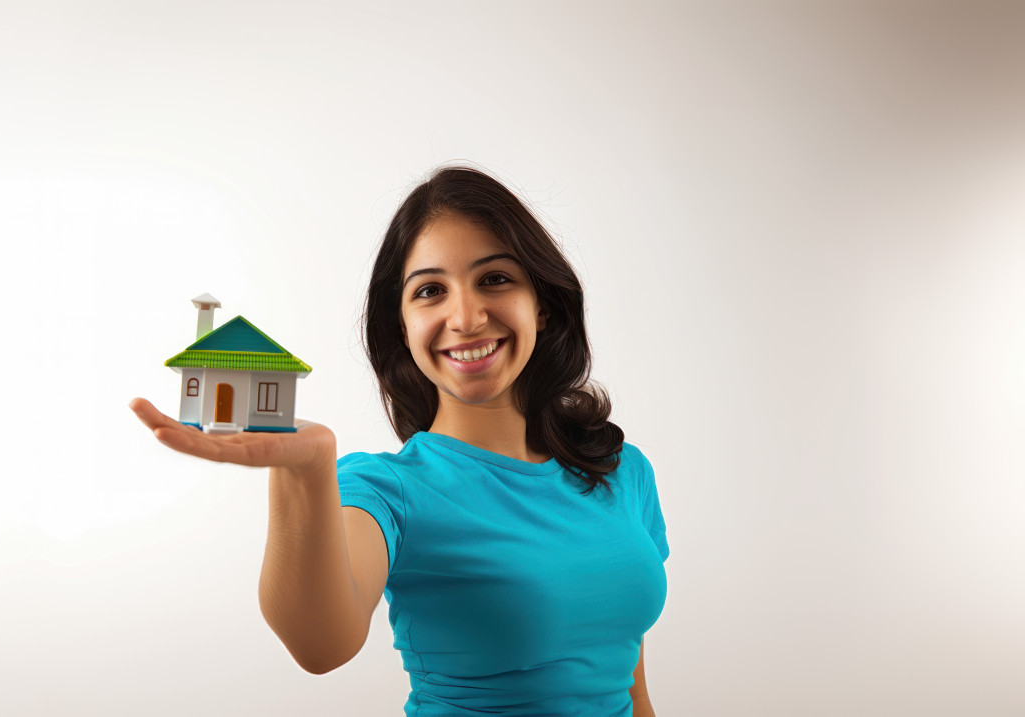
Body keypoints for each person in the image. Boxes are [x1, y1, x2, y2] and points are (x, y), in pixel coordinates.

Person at [130, 166, 669, 716]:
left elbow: (630, 683)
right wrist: (304, 469)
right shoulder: (387, 490)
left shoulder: (620, 469)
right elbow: (321, 645)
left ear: (543, 303)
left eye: (495, 279)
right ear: (404, 326)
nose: (466, 317)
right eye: (430, 291)